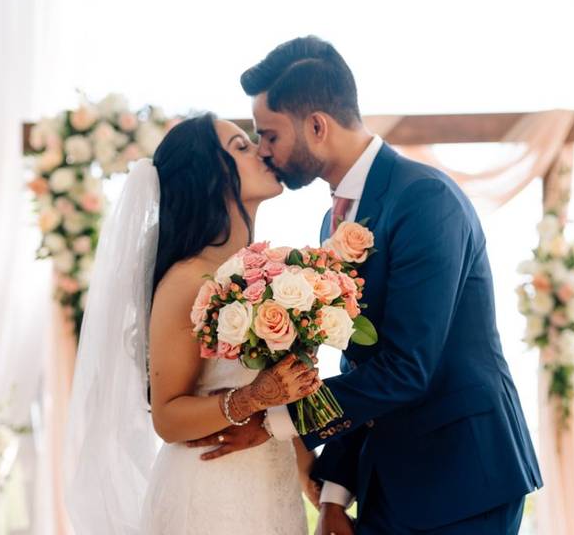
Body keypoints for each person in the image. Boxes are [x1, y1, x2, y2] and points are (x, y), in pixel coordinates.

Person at [189, 36, 543, 534]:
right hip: (390, 479)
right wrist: (335, 493)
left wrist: (274, 422)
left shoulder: (425, 200)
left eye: (269, 135)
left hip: (463, 479)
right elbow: (361, 366)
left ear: (316, 126)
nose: (264, 152)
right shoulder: (331, 223)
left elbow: (406, 368)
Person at [64, 114, 322, 534]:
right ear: (210, 178)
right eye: (241, 147)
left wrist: (313, 477)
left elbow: (287, 394)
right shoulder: (188, 278)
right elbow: (167, 417)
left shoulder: (272, 273)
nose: (261, 150)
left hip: (270, 485)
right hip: (211, 490)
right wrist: (249, 398)